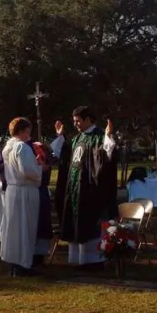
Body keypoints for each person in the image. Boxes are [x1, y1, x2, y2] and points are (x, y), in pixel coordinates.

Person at [51, 106, 117, 269]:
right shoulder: (76, 139)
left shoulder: (98, 137)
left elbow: (108, 156)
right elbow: (62, 154)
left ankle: (93, 261)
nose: (75, 124)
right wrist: (60, 137)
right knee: (75, 223)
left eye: (78, 121)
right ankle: (77, 259)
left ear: (88, 119)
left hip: (90, 191)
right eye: (74, 121)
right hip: (74, 189)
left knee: (89, 223)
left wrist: (108, 137)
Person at [0, 117, 47, 277]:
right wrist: (40, 167)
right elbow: (27, 171)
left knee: (14, 228)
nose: (29, 134)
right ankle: (23, 264)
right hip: (24, 191)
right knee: (25, 227)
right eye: (27, 131)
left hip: (13, 190)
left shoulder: (8, 146)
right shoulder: (22, 147)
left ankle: (13, 261)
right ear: (21, 131)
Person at [28, 141, 54, 268]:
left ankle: (39, 254)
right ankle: (33, 254)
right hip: (33, 192)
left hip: (40, 192)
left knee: (41, 223)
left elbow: (46, 168)